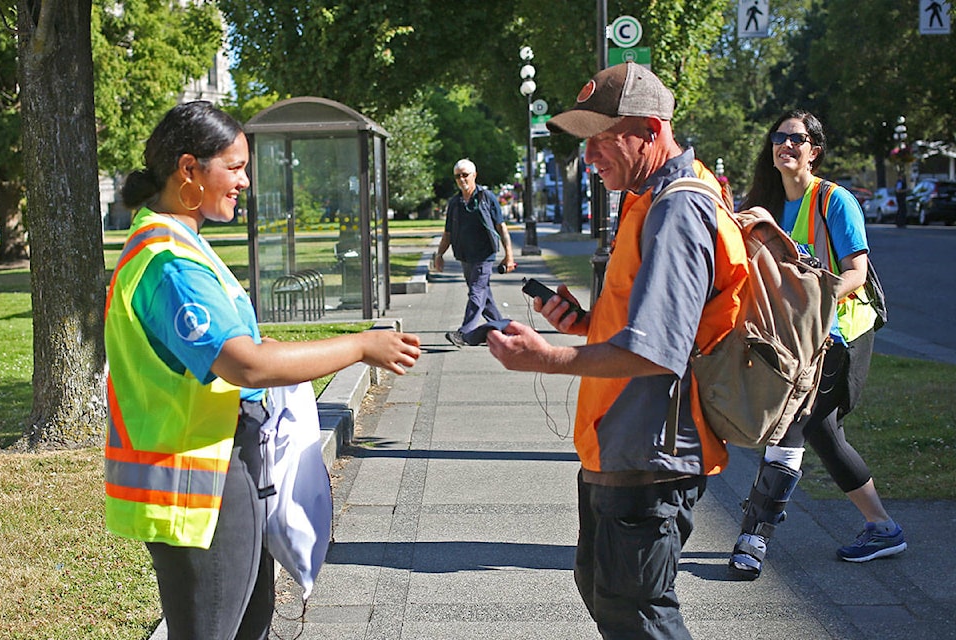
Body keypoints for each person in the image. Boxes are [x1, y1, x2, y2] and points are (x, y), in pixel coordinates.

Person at [103, 101, 421, 639]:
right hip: (197, 485)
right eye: (234, 166)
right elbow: (246, 364)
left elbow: (235, 349)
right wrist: (361, 345)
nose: (245, 181)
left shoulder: (181, 243)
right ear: (189, 170)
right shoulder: (170, 261)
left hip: (217, 473)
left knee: (249, 625)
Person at [488, 62, 742, 639]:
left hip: (650, 451)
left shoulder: (677, 208)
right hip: (620, 443)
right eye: (586, 140)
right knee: (608, 595)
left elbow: (658, 352)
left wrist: (547, 358)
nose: (590, 155)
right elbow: (648, 320)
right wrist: (582, 322)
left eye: (604, 138)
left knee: (639, 615)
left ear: (651, 130)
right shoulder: (649, 196)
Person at [727, 109, 905, 581]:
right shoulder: (765, 202)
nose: (787, 145)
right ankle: (883, 526)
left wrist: (815, 298)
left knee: (793, 427)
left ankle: (754, 533)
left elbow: (856, 274)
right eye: (779, 138)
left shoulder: (834, 200)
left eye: (797, 138)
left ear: (815, 149)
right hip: (794, 338)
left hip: (842, 334)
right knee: (821, 433)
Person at [433, 158, 515, 347]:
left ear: (474, 175)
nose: (461, 179)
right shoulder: (455, 203)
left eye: (465, 175)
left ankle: (464, 333)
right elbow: (447, 233)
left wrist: (509, 255)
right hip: (464, 256)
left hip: (484, 255)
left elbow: (501, 228)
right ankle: (506, 329)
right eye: (457, 176)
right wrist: (439, 255)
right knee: (483, 296)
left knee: (476, 292)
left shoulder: (487, 198)